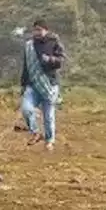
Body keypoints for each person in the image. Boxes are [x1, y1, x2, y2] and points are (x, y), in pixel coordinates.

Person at [19, 19, 66, 151]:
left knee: (48, 116)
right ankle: (35, 132)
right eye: (35, 30)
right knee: (26, 109)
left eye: (39, 30)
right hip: (32, 84)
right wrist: (23, 84)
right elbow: (26, 66)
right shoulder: (29, 46)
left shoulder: (54, 42)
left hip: (49, 84)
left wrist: (49, 59)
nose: (37, 32)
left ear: (46, 30)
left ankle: (49, 141)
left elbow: (61, 60)